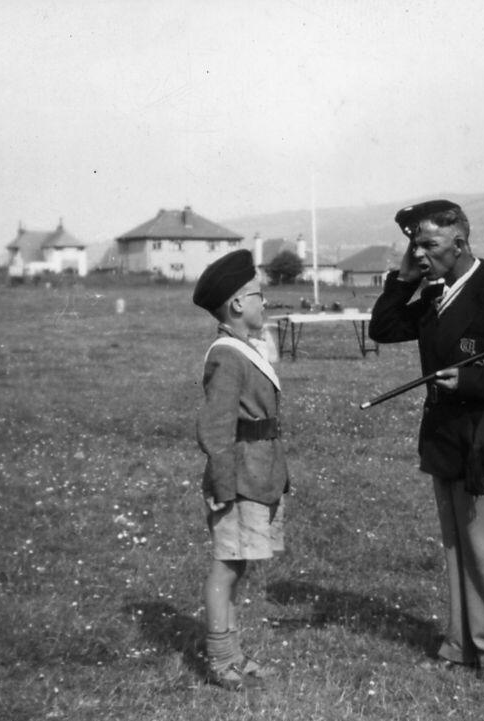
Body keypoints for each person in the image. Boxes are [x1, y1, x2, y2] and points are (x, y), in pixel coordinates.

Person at [369, 200, 484, 681]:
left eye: (428, 244)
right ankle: (461, 642)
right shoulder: (432, 295)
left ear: (460, 242)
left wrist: (469, 382)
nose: (420, 254)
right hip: (445, 440)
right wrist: (404, 280)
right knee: (456, 548)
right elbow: (382, 328)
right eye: (415, 246)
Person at [192, 249, 290, 691]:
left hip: (259, 475)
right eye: (258, 295)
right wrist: (224, 484)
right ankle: (221, 658)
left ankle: (233, 655)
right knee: (226, 567)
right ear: (236, 304)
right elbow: (215, 430)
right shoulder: (227, 356)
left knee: (239, 565)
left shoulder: (246, 347)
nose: (265, 302)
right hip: (239, 478)